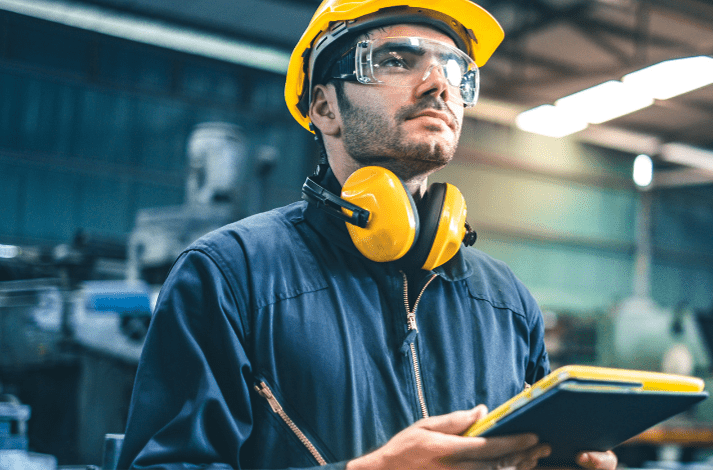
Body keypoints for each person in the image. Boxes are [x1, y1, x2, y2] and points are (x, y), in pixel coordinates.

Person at [118, 1, 618, 469]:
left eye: (455, 69)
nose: (438, 85)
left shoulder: (506, 301)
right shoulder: (229, 276)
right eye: (397, 60)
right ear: (324, 108)